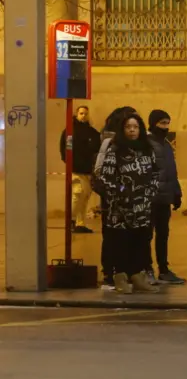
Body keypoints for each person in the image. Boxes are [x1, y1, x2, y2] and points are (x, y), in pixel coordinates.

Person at [93, 112, 160, 294]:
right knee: (121, 242)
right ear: (123, 130)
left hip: (142, 207)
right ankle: (120, 276)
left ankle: (137, 276)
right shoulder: (115, 150)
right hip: (120, 209)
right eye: (128, 127)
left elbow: (155, 174)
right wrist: (123, 193)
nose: (132, 131)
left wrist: (149, 193)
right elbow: (106, 178)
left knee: (140, 242)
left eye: (135, 127)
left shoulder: (147, 149)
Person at [94, 106, 137, 291]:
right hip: (113, 200)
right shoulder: (110, 145)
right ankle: (110, 274)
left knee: (124, 237)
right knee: (112, 236)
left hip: (127, 200)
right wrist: (119, 190)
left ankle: (123, 272)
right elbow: (101, 173)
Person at [147, 109, 185, 285]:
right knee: (146, 235)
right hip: (150, 199)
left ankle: (163, 268)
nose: (165, 127)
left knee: (163, 234)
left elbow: (171, 171)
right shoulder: (147, 144)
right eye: (162, 123)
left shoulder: (167, 145)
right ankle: (146, 269)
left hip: (164, 199)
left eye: (167, 123)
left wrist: (176, 193)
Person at [59, 105, 102, 233]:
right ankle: (70, 220)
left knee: (85, 197)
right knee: (77, 194)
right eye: (81, 113)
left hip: (88, 170)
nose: (84, 116)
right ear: (76, 115)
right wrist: (70, 162)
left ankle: (80, 223)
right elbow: (64, 149)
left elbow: (97, 149)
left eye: (86, 113)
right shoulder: (70, 131)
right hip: (76, 169)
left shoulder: (93, 133)